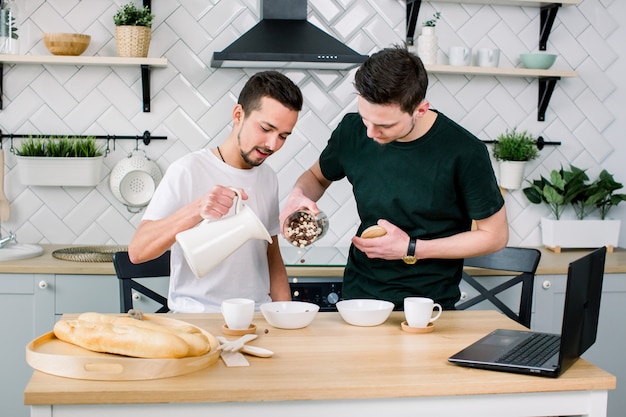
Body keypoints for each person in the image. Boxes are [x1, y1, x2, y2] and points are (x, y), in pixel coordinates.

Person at [280, 46, 508, 310]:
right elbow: (316, 177)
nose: (370, 133)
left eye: (385, 125)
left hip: (428, 306)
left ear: (420, 110)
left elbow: (495, 236)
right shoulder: (352, 131)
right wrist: (298, 195)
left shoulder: (465, 152)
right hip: (359, 298)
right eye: (366, 118)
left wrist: (411, 248)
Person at [129, 70, 303, 313]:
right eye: (265, 128)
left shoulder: (268, 177)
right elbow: (138, 252)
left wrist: (286, 318)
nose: (273, 145)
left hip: (257, 319)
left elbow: (271, 255)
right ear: (238, 114)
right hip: (198, 320)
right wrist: (197, 210)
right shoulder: (188, 170)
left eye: (283, 136)